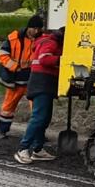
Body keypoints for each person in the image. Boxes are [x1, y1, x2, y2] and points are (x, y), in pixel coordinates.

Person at [13, 27, 64, 164]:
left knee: (44, 119)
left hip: (43, 84)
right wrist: (63, 60)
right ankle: (23, 149)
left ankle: (38, 149)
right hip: (42, 84)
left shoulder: (46, 41)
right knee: (39, 118)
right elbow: (44, 59)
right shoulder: (51, 43)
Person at [0, 14, 45, 137]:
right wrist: (15, 67)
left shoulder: (43, 39)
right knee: (8, 107)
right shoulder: (14, 38)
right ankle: (2, 131)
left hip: (33, 80)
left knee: (37, 110)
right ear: (29, 27)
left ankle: (38, 135)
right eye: (34, 28)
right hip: (15, 81)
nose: (36, 31)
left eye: (39, 29)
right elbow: (2, 55)